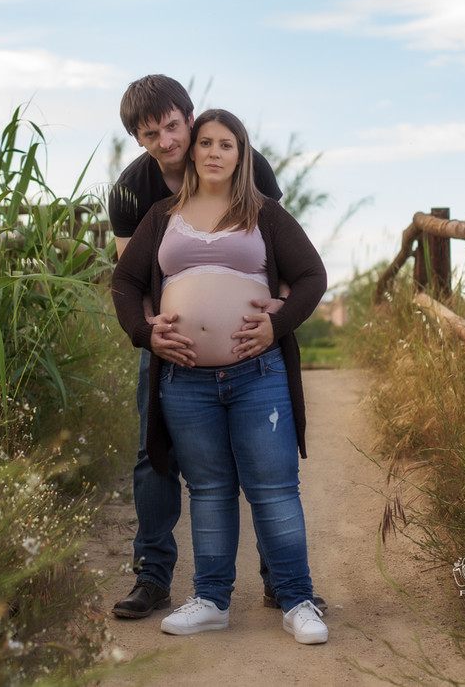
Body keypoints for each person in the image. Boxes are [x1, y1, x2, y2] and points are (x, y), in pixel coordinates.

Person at [107, 75, 323, 620]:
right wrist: (149, 333)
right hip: (170, 350)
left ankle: (283, 584)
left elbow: (273, 252)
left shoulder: (245, 166)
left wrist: (275, 315)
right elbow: (133, 278)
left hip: (253, 355)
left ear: (189, 118)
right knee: (152, 454)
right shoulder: (135, 194)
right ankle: (154, 577)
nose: (167, 141)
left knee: (264, 472)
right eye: (150, 133)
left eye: (174, 127)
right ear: (138, 138)